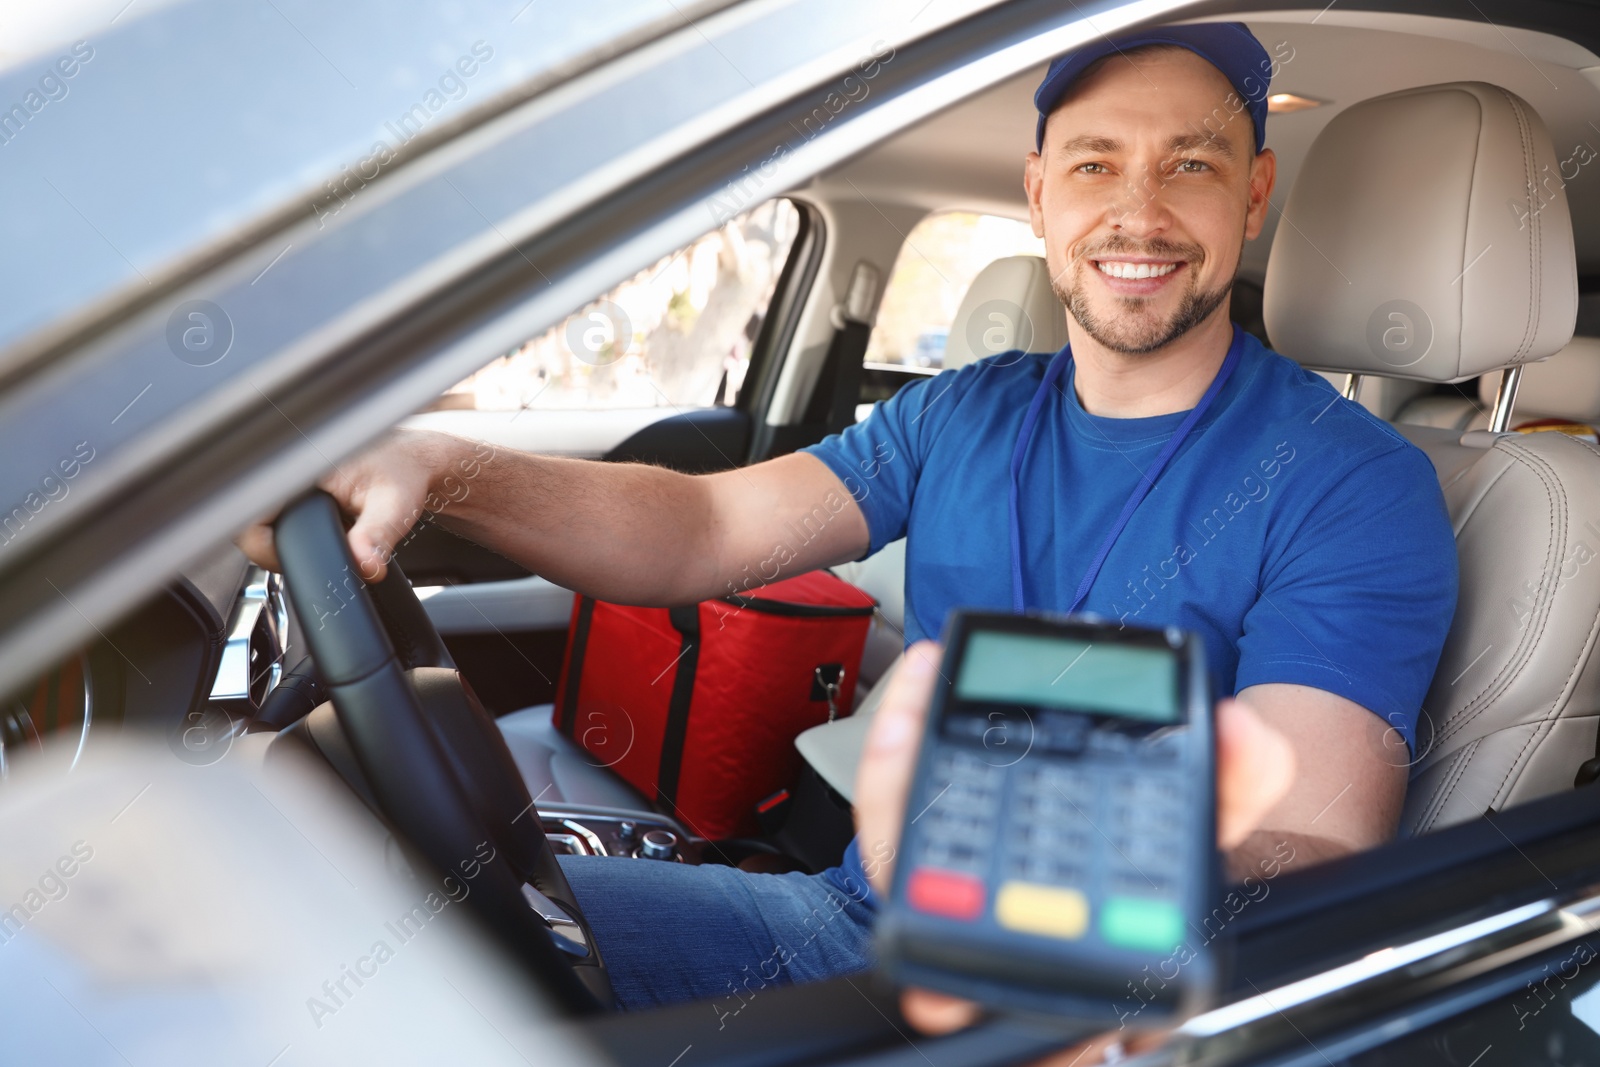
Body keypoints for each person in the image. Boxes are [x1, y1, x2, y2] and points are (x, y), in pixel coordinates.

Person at [240, 22, 1456, 1021]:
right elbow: (698, 533)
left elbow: (1313, 847)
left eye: (1188, 163)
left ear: (1252, 195)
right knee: (375, 921)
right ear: (1039, 196)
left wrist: (1061, 855)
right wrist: (441, 468)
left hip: (1079, 999)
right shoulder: (963, 415)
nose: (1136, 212)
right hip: (848, 916)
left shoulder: (1350, 485)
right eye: (1093, 163)